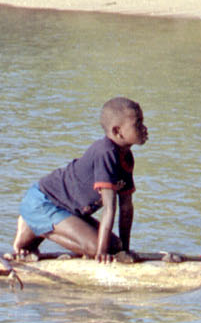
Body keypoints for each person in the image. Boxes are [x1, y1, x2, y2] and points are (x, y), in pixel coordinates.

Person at [12, 98, 149, 262]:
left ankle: (40, 225)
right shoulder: (105, 153)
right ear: (118, 131)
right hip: (44, 201)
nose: (144, 129)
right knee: (94, 248)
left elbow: (126, 207)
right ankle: (33, 226)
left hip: (71, 210)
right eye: (138, 124)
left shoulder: (126, 157)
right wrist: (101, 254)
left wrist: (124, 250)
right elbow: (109, 208)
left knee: (115, 246)